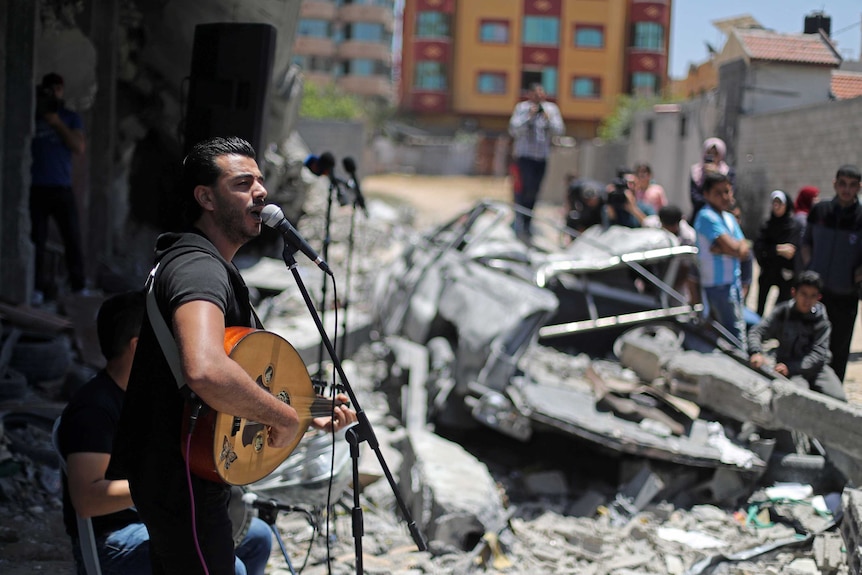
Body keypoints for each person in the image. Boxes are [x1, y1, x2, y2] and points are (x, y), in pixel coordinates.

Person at [107, 137, 357, 574]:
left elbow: (235, 377)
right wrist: (283, 418)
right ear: (205, 197)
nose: (260, 191)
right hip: (181, 475)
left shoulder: (205, 264)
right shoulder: (197, 268)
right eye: (243, 183)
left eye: (260, 180)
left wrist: (307, 408)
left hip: (188, 468)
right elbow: (205, 369)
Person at [57, 290, 274, 575]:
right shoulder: (94, 409)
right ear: (138, 347)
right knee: (230, 568)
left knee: (258, 536)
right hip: (113, 541)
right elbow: (87, 499)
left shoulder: (155, 395)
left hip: (158, 518)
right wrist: (167, 482)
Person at [801, 164, 862, 382]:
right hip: (816, 295)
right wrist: (810, 267)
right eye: (843, 184)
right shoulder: (821, 211)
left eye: (852, 185)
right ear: (835, 184)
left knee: (838, 348)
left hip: (845, 296)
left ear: (859, 188)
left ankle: (833, 393)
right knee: (808, 342)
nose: (847, 190)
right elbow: (806, 242)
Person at [30, 72, 87, 303]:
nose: (53, 93)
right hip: (36, 186)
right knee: (37, 240)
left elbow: (78, 146)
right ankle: (36, 288)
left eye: (57, 88)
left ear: (62, 91)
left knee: (72, 237)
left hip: (61, 187)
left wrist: (56, 123)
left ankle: (78, 287)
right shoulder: (32, 115)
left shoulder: (69, 117)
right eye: (48, 89)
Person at [748, 271, 846, 401]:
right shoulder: (783, 312)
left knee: (839, 398)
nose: (807, 300)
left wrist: (791, 367)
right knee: (798, 397)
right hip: (788, 367)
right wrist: (756, 352)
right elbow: (757, 331)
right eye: (803, 294)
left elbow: (818, 355)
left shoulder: (822, 321)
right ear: (794, 293)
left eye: (812, 296)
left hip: (815, 370)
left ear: (819, 298)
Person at [694, 171, 750, 350]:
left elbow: (744, 249)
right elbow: (735, 248)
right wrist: (733, 249)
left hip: (732, 283)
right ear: (706, 194)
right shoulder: (706, 216)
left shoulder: (728, 217)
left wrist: (726, 250)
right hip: (717, 285)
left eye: (727, 191)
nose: (725, 197)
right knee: (734, 337)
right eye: (718, 193)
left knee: (735, 332)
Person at [508, 83, 565, 238]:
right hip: (524, 156)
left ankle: (528, 221)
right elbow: (513, 129)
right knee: (523, 188)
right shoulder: (522, 108)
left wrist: (547, 118)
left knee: (534, 189)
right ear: (529, 94)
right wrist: (529, 117)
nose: (539, 98)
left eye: (541, 94)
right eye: (535, 94)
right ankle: (519, 219)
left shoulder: (551, 109)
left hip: (541, 157)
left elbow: (559, 130)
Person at [753, 190, 802, 316]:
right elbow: (758, 247)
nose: (776, 206)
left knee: (782, 307)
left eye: (779, 203)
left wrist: (770, 250)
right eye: (774, 203)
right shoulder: (766, 225)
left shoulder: (793, 226)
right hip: (767, 270)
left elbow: (791, 251)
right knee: (760, 306)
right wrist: (778, 249)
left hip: (785, 273)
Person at [690, 137, 735, 221]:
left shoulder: (728, 172)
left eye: (716, 154)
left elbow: (730, 192)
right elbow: (694, 196)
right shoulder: (696, 172)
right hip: (700, 212)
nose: (713, 157)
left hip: (722, 213)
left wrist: (716, 174)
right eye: (709, 153)